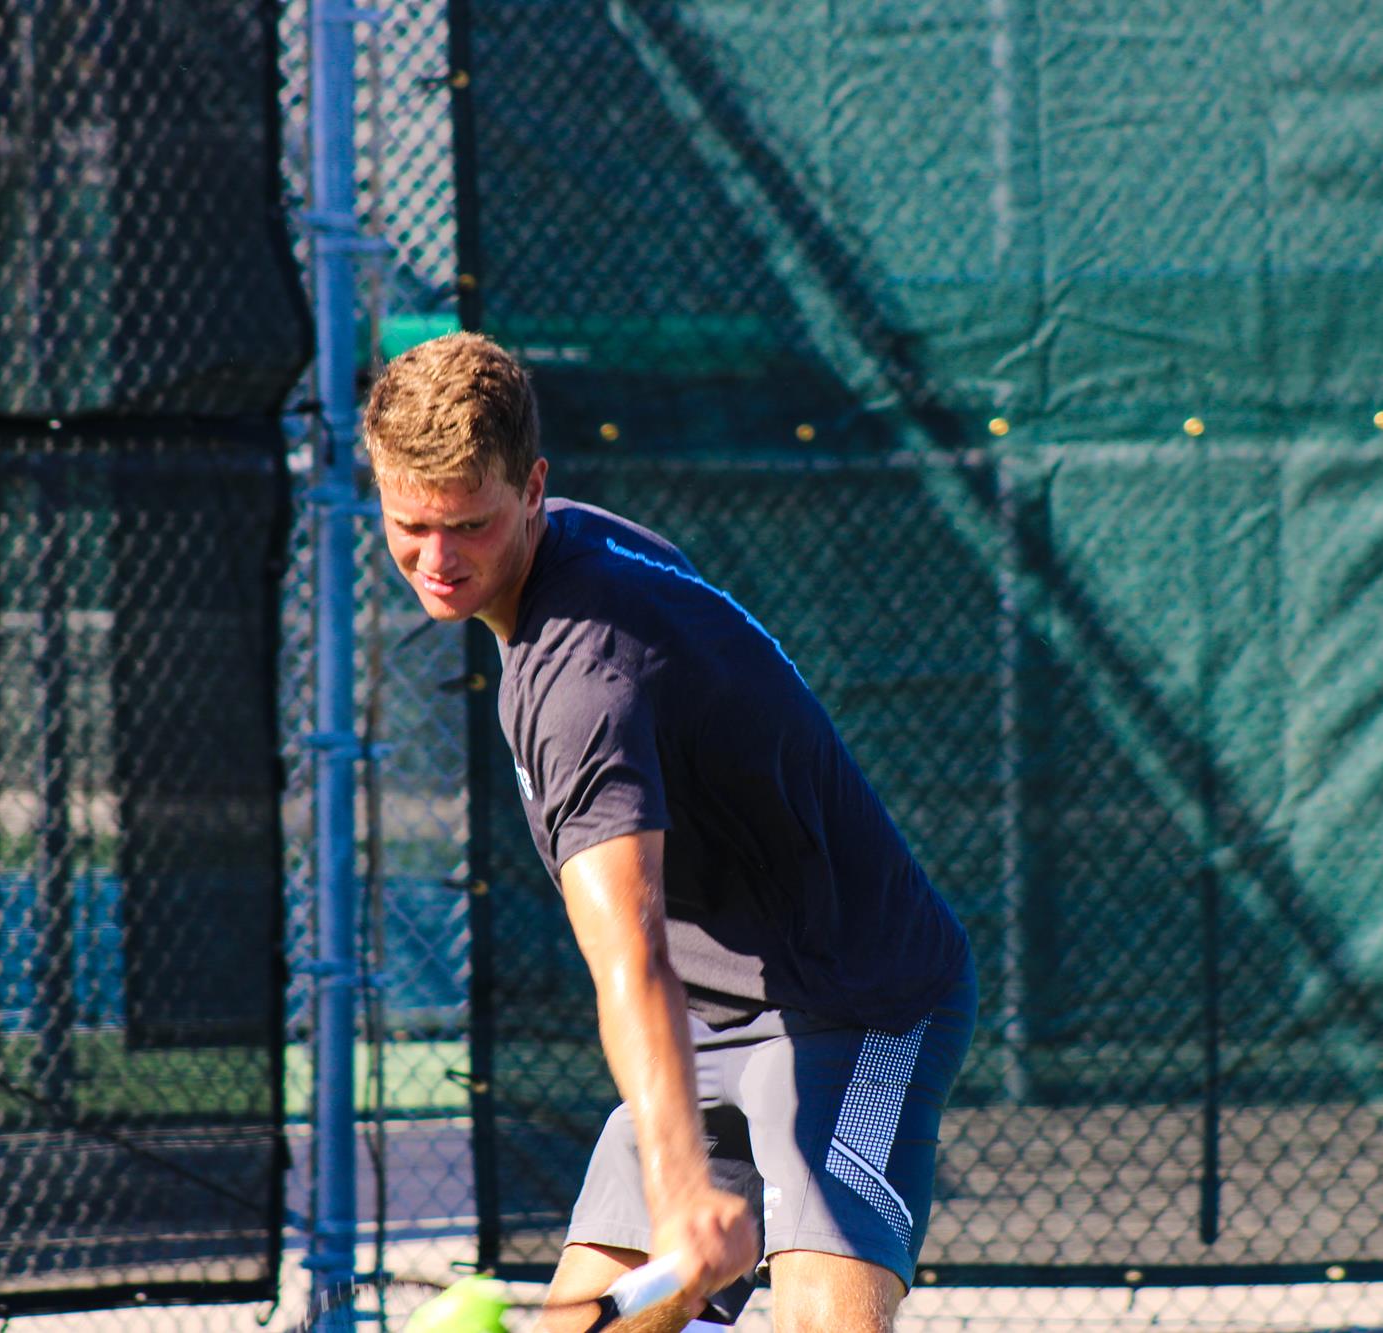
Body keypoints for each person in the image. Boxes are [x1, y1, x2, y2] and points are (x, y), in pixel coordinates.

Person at [363, 332, 976, 1333]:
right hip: (707, 1021)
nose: (437, 560)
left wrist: (684, 1189)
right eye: (411, 524)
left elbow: (630, 956)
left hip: (858, 1002)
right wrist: (683, 1184)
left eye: (469, 525)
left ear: (532, 489)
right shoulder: (578, 550)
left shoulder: (580, 683)